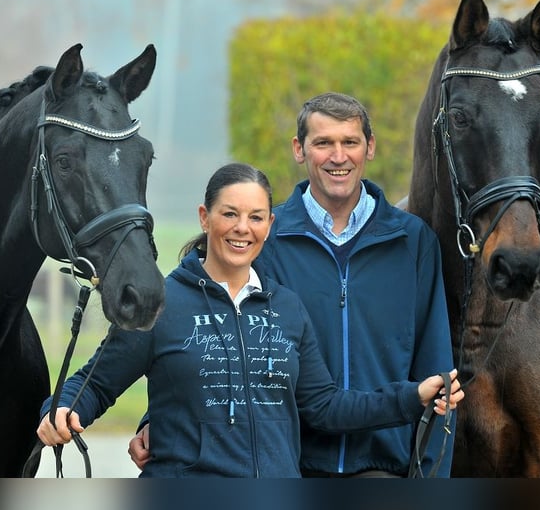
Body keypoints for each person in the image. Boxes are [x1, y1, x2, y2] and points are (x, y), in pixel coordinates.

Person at [37, 162, 463, 478]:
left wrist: (413, 396)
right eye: (230, 214)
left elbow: (327, 406)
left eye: (256, 217)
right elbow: (92, 384)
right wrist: (60, 410)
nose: (242, 228)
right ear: (205, 218)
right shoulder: (162, 305)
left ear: (269, 225)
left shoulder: (288, 310)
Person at [129, 93, 458, 478]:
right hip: (285, 466)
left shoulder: (412, 243)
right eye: (323, 143)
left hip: (384, 468)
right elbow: (198, 317)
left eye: (350, 142)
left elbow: (438, 372)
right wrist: (158, 420)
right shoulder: (264, 237)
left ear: (370, 147)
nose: (338, 157)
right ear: (299, 150)